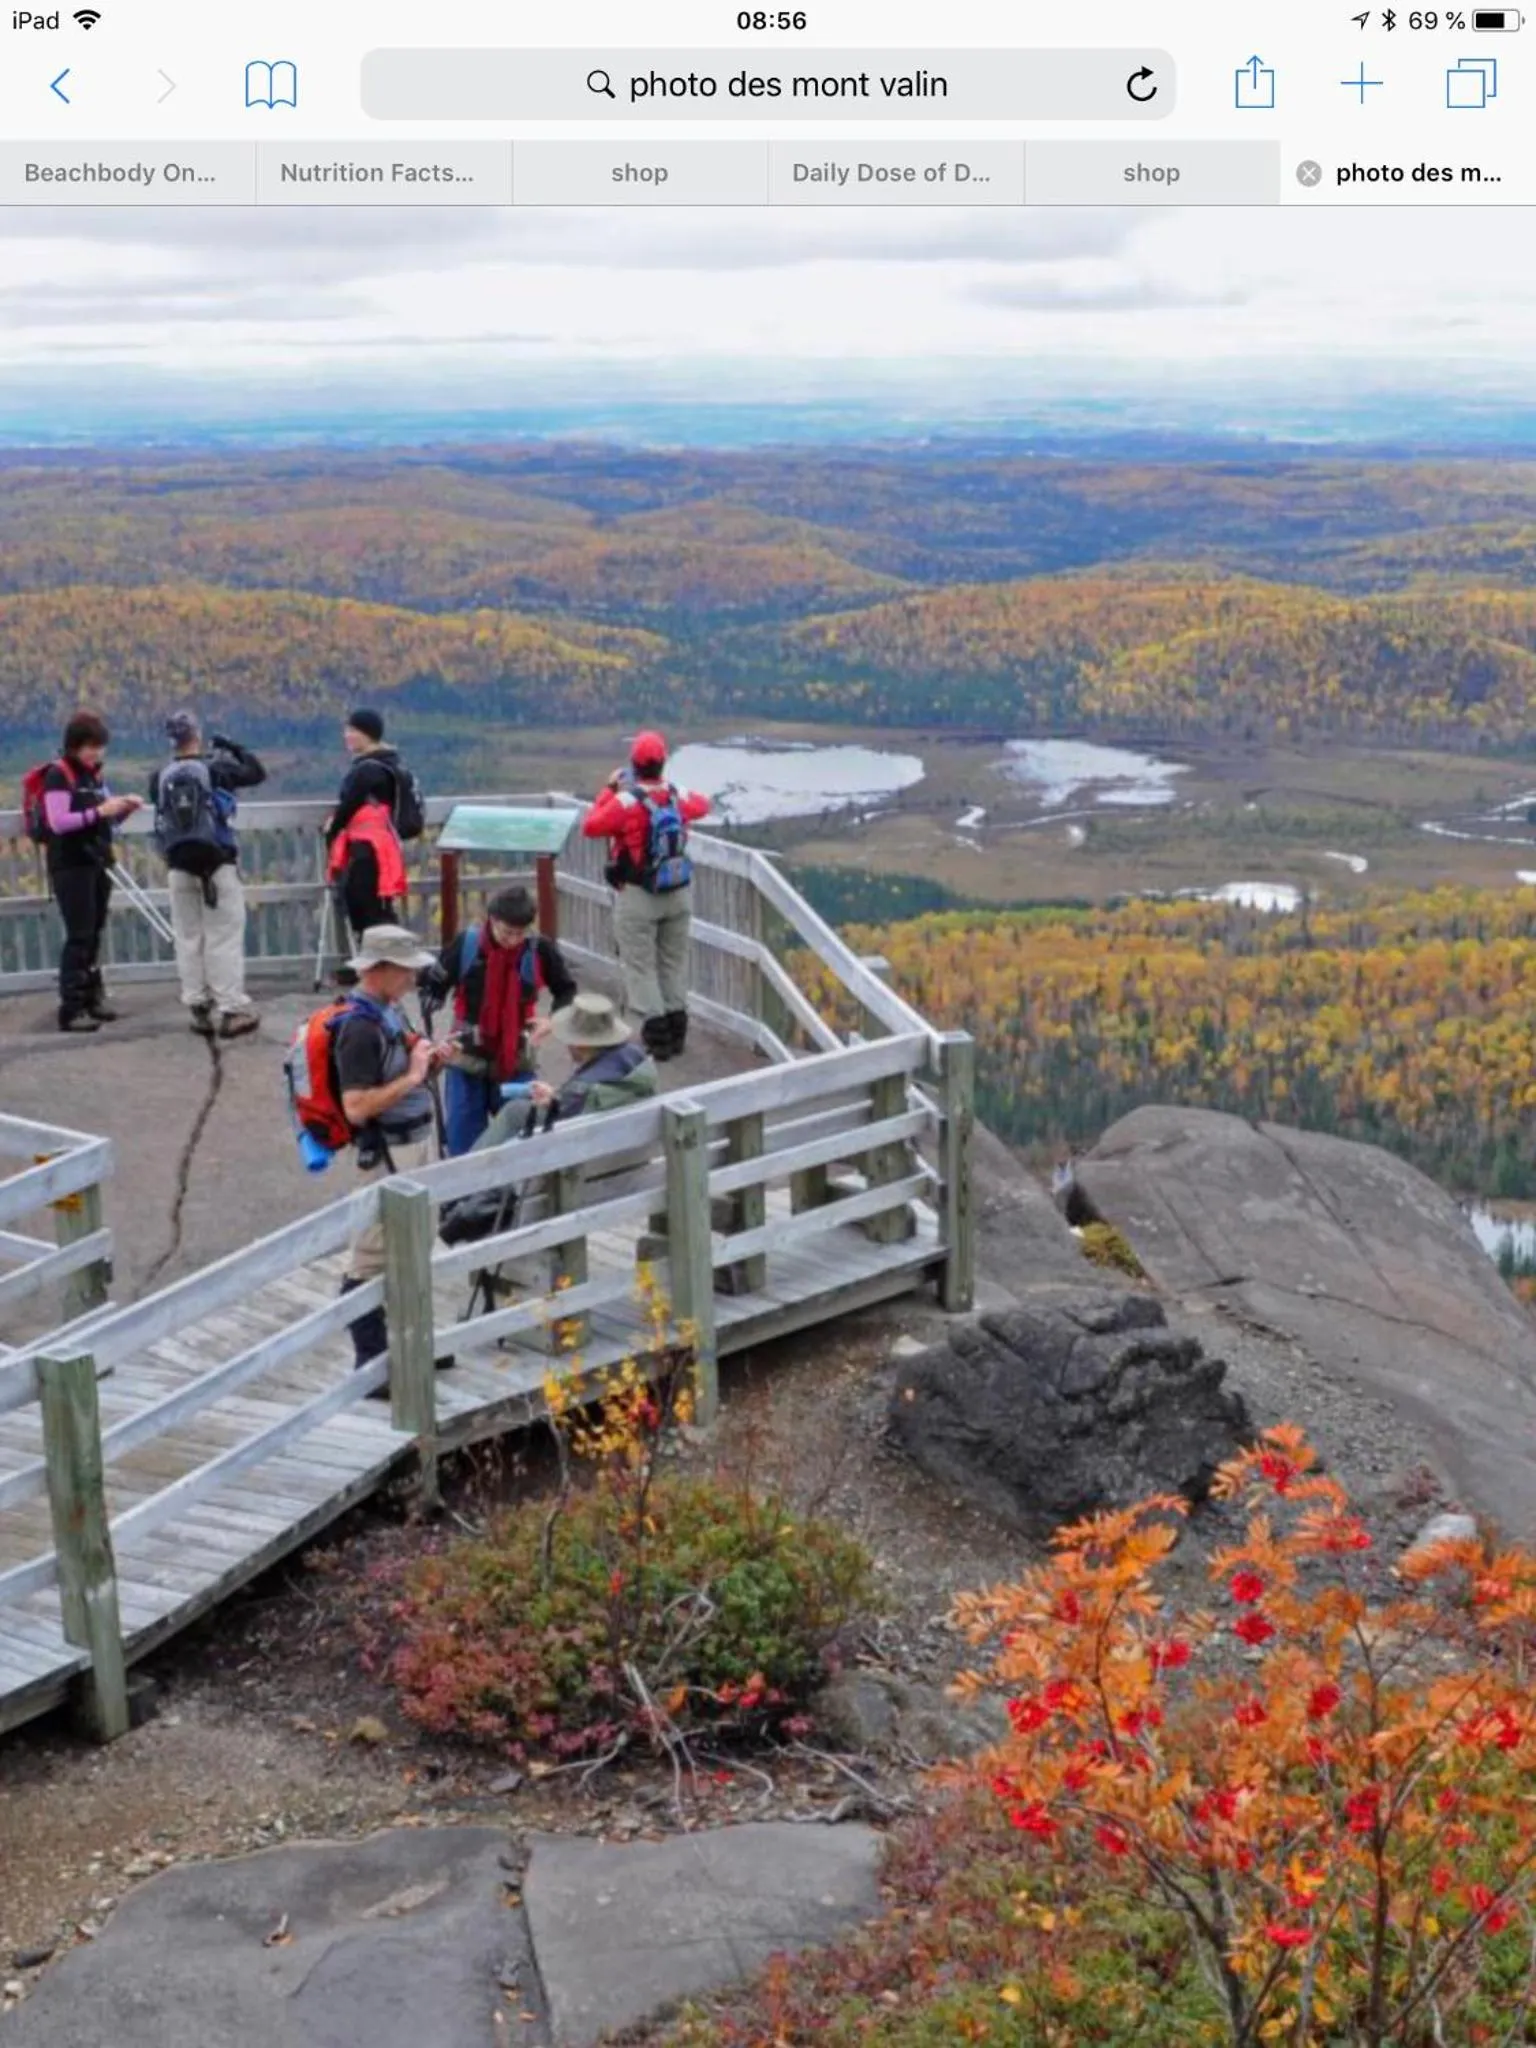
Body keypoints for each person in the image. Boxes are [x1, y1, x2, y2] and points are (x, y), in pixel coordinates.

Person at [333, 924, 450, 1375]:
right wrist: (414, 1078)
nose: (412, 979)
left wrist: (429, 1061)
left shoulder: (389, 1010)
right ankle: (373, 1363)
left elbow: (405, 1069)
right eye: (405, 970)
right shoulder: (359, 1028)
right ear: (378, 969)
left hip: (415, 1142)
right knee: (370, 1255)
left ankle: (413, 1343)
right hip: (385, 1152)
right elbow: (357, 1107)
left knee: (416, 1242)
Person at [580, 731, 709, 1064]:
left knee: (640, 966)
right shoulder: (676, 797)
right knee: (673, 963)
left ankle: (658, 1042)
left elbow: (592, 826)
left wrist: (608, 791)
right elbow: (703, 805)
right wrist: (674, 790)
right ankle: (678, 1033)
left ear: (634, 766)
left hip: (638, 895)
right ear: (663, 762)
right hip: (678, 892)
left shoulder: (627, 802)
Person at [422, 884, 579, 1156]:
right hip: (465, 1057)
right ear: (492, 921)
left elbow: (566, 989)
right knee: (463, 1142)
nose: (513, 940)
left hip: (516, 1056)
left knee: (522, 1137)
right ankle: (464, 1196)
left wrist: (552, 1021)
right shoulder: (467, 945)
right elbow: (434, 986)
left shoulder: (539, 950)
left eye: (521, 933)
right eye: (507, 932)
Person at [148, 711, 267, 1040]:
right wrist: (232, 746)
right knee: (223, 936)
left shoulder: (159, 775)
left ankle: (198, 1007)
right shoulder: (215, 769)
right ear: (197, 734)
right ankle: (231, 1008)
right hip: (217, 864)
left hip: (178, 865)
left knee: (188, 936)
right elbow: (257, 772)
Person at [38, 711, 143, 1034]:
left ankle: (91, 998)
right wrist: (100, 810)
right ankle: (71, 1007)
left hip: (96, 860)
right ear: (75, 746)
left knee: (94, 931)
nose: (95, 753)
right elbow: (58, 821)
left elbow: (104, 819)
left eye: (99, 747)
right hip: (71, 865)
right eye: (90, 747)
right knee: (79, 934)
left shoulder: (94, 777)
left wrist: (121, 809)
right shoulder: (59, 775)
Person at [473, 991, 658, 1153]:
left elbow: (568, 1110)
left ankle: (465, 1182)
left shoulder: (580, 1088)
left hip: (580, 1167)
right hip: (628, 1157)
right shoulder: (638, 1059)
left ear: (581, 1043)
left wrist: (554, 1101)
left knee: (515, 1112)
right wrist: (556, 1096)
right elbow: (598, 1095)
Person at [324, 708, 409, 946]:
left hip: (367, 847)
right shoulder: (388, 763)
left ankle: (378, 959)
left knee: (364, 902)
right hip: (382, 846)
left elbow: (349, 805)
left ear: (367, 734)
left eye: (352, 730)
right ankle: (385, 958)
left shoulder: (367, 769)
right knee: (379, 903)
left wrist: (333, 829)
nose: (347, 736)